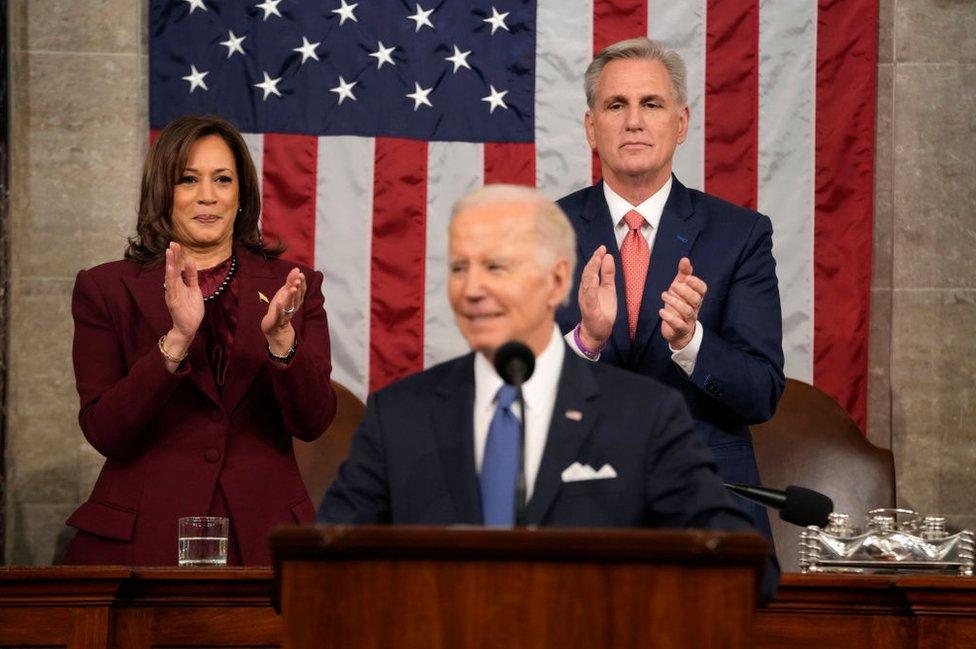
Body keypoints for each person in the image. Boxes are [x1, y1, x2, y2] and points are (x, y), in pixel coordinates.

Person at [317, 184, 777, 599]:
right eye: (461, 268)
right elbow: (310, 575)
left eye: (498, 267)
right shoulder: (399, 415)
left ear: (556, 282)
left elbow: (752, 571)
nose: (474, 289)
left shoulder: (645, 416)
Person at [64, 114, 337, 566]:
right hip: (143, 539)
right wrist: (176, 341)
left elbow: (313, 422)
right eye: (188, 179)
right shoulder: (105, 289)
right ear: (163, 192)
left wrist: (282, 342)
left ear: (241, 194)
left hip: (262, 538)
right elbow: (105, 431)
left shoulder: (295, 286)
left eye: (223, 179)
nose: (207, 195)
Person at [555, 38, 785, 536]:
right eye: (616, 105)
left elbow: (761, 394)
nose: (634, 120)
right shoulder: (540, 232)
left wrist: (691, 343)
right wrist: (586, 342)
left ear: (680, 124)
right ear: (592, 128)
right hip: (578, 513)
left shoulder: (740, 235)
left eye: (651, 104)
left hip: (709, 513)